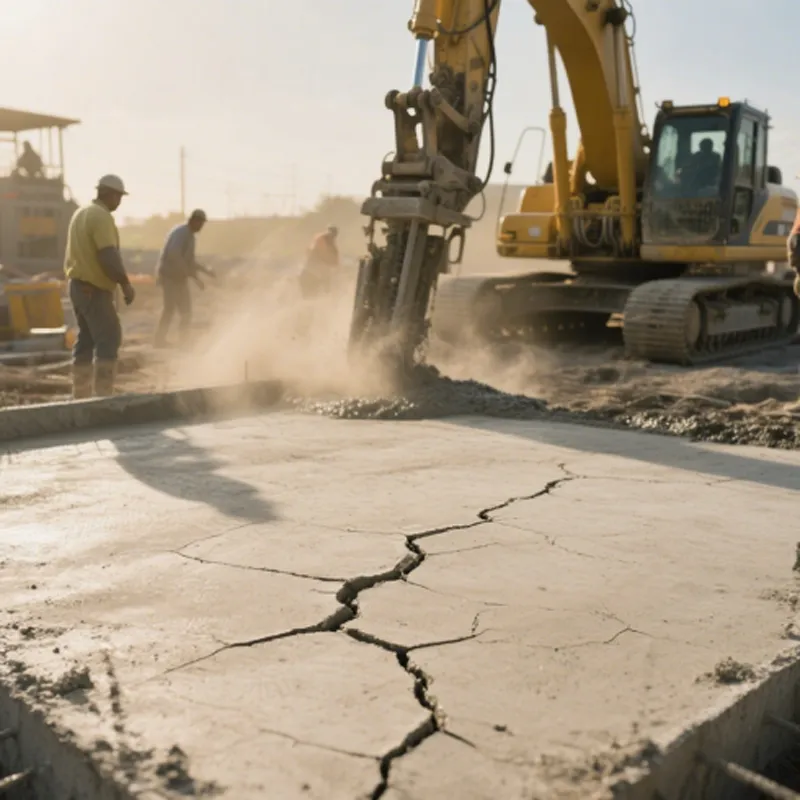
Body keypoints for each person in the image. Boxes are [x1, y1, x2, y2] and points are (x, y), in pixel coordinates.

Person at [63, 174, 136, 399]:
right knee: (109, 336)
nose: (120, 202)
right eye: (119, 197)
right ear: (111, 195)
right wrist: (125, 284)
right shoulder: (101, 217)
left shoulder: (81, 213)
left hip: (77, 286)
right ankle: (103, 396)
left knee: (86, 337)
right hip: (93, 289)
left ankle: (81, 395)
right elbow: (107, 255)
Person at [153, 208, 215, 348]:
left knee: (186, 311)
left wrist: (205, 271)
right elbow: (174, 255)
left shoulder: (190, 237)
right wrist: (191, 275)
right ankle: (159, 340)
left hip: (179, 278)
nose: (201, 227)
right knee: (169, 309)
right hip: (169, 276)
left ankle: (183, 341)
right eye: (200, 223)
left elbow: (190, 261)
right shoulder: (181, 233)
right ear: (193, 221)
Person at [299, 225, 339, 298]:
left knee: (312, 298)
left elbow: (334, 263)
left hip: (314, 277)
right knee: (310, 298)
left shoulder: (329, 246)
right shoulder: (321, 242)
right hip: (310, 276)